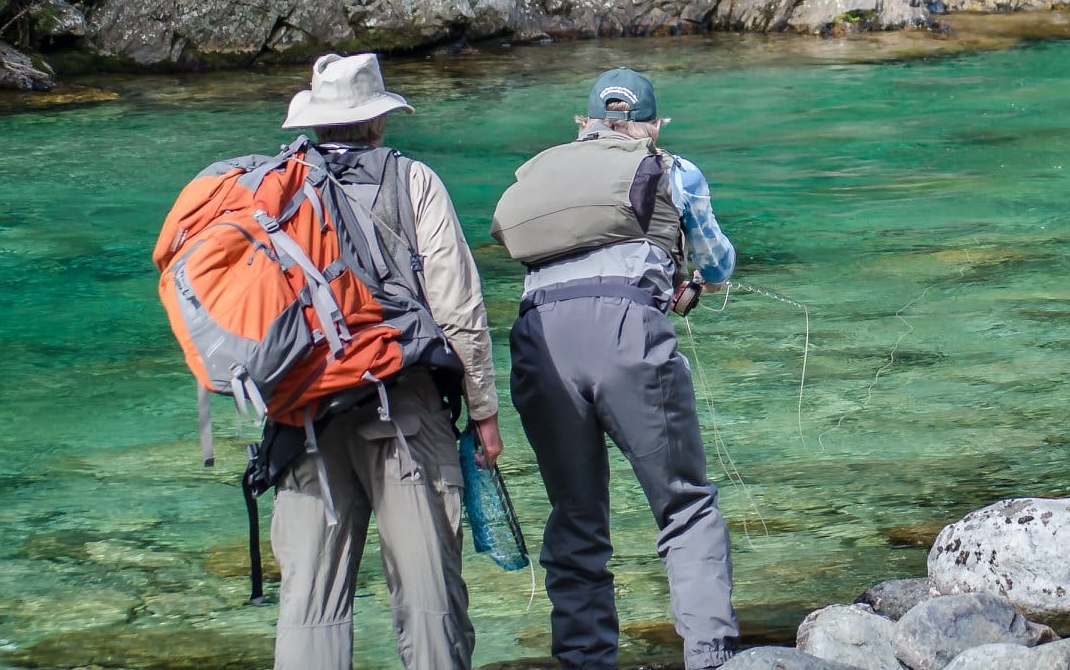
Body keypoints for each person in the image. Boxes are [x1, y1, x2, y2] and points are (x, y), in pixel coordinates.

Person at [270, 52, 503, 670]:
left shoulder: (278, 188)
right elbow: (457, 306)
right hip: (399, 406)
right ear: (378, 121)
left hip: (303, 416)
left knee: (309, 607)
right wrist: (483, 409)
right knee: (429, 599)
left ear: (315, 123)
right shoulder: (413, 181)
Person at [502, 67, 740, 670]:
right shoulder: (674, 170)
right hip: (627, 333)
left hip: (536, 340)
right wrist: (692, 282)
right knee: (684, 506)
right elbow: (717, 263)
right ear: (653, 126)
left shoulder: (544, 170)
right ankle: (709, 657)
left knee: (576, 517)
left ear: (584, 125)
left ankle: (585, 661)